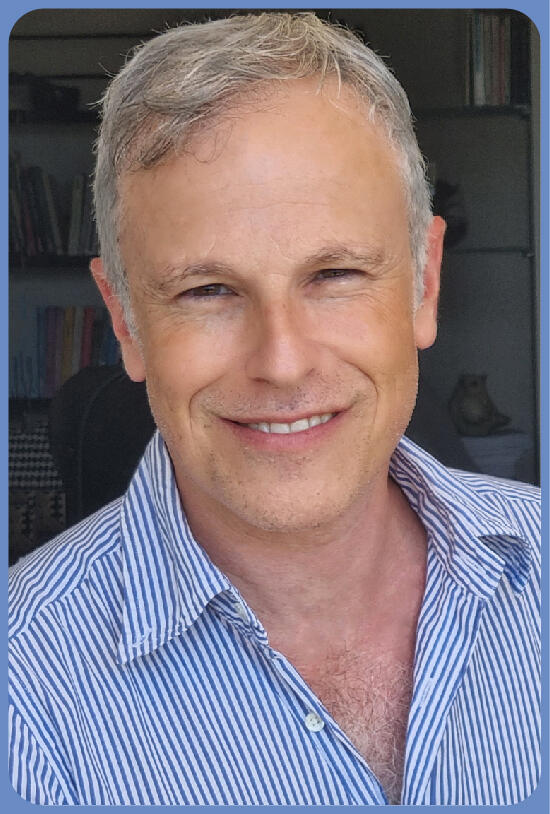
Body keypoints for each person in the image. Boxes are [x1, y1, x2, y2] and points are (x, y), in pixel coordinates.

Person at [8, 12, 540, 806]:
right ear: (124, 321)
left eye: (335, 275)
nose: (283, 362)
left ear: (424, 283)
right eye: (207, 290)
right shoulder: (23, 691)